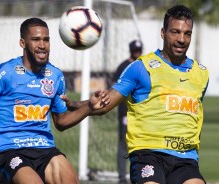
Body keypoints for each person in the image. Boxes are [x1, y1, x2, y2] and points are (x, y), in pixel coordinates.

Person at [0, 17, 110, 184]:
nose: (42, 45)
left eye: (46, 40)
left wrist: (89, 107)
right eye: (35, 40)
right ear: (23, 43)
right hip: (11, 150)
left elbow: (61, 122)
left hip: (45, 148)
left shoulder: (55, 76)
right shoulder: (6, 72)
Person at [64, 5, 209, 184]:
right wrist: (79, 105)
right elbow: (106, 102)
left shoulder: (201, 74)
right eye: (175, 32)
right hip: (148, 155)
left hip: (185, 160)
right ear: (163, 33)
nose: (181, 39)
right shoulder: (141, 67)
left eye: (187, 33)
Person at [112, 40, 143, 184]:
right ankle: (121, 177)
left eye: (139, 50)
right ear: (131, 50)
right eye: (135, 50)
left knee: (141, 145)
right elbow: (115, 89)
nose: (137, 53)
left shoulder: (143, 64)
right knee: (124, 145)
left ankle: (140, 174)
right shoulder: (123, 67)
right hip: (125, 114)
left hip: (142, 114)